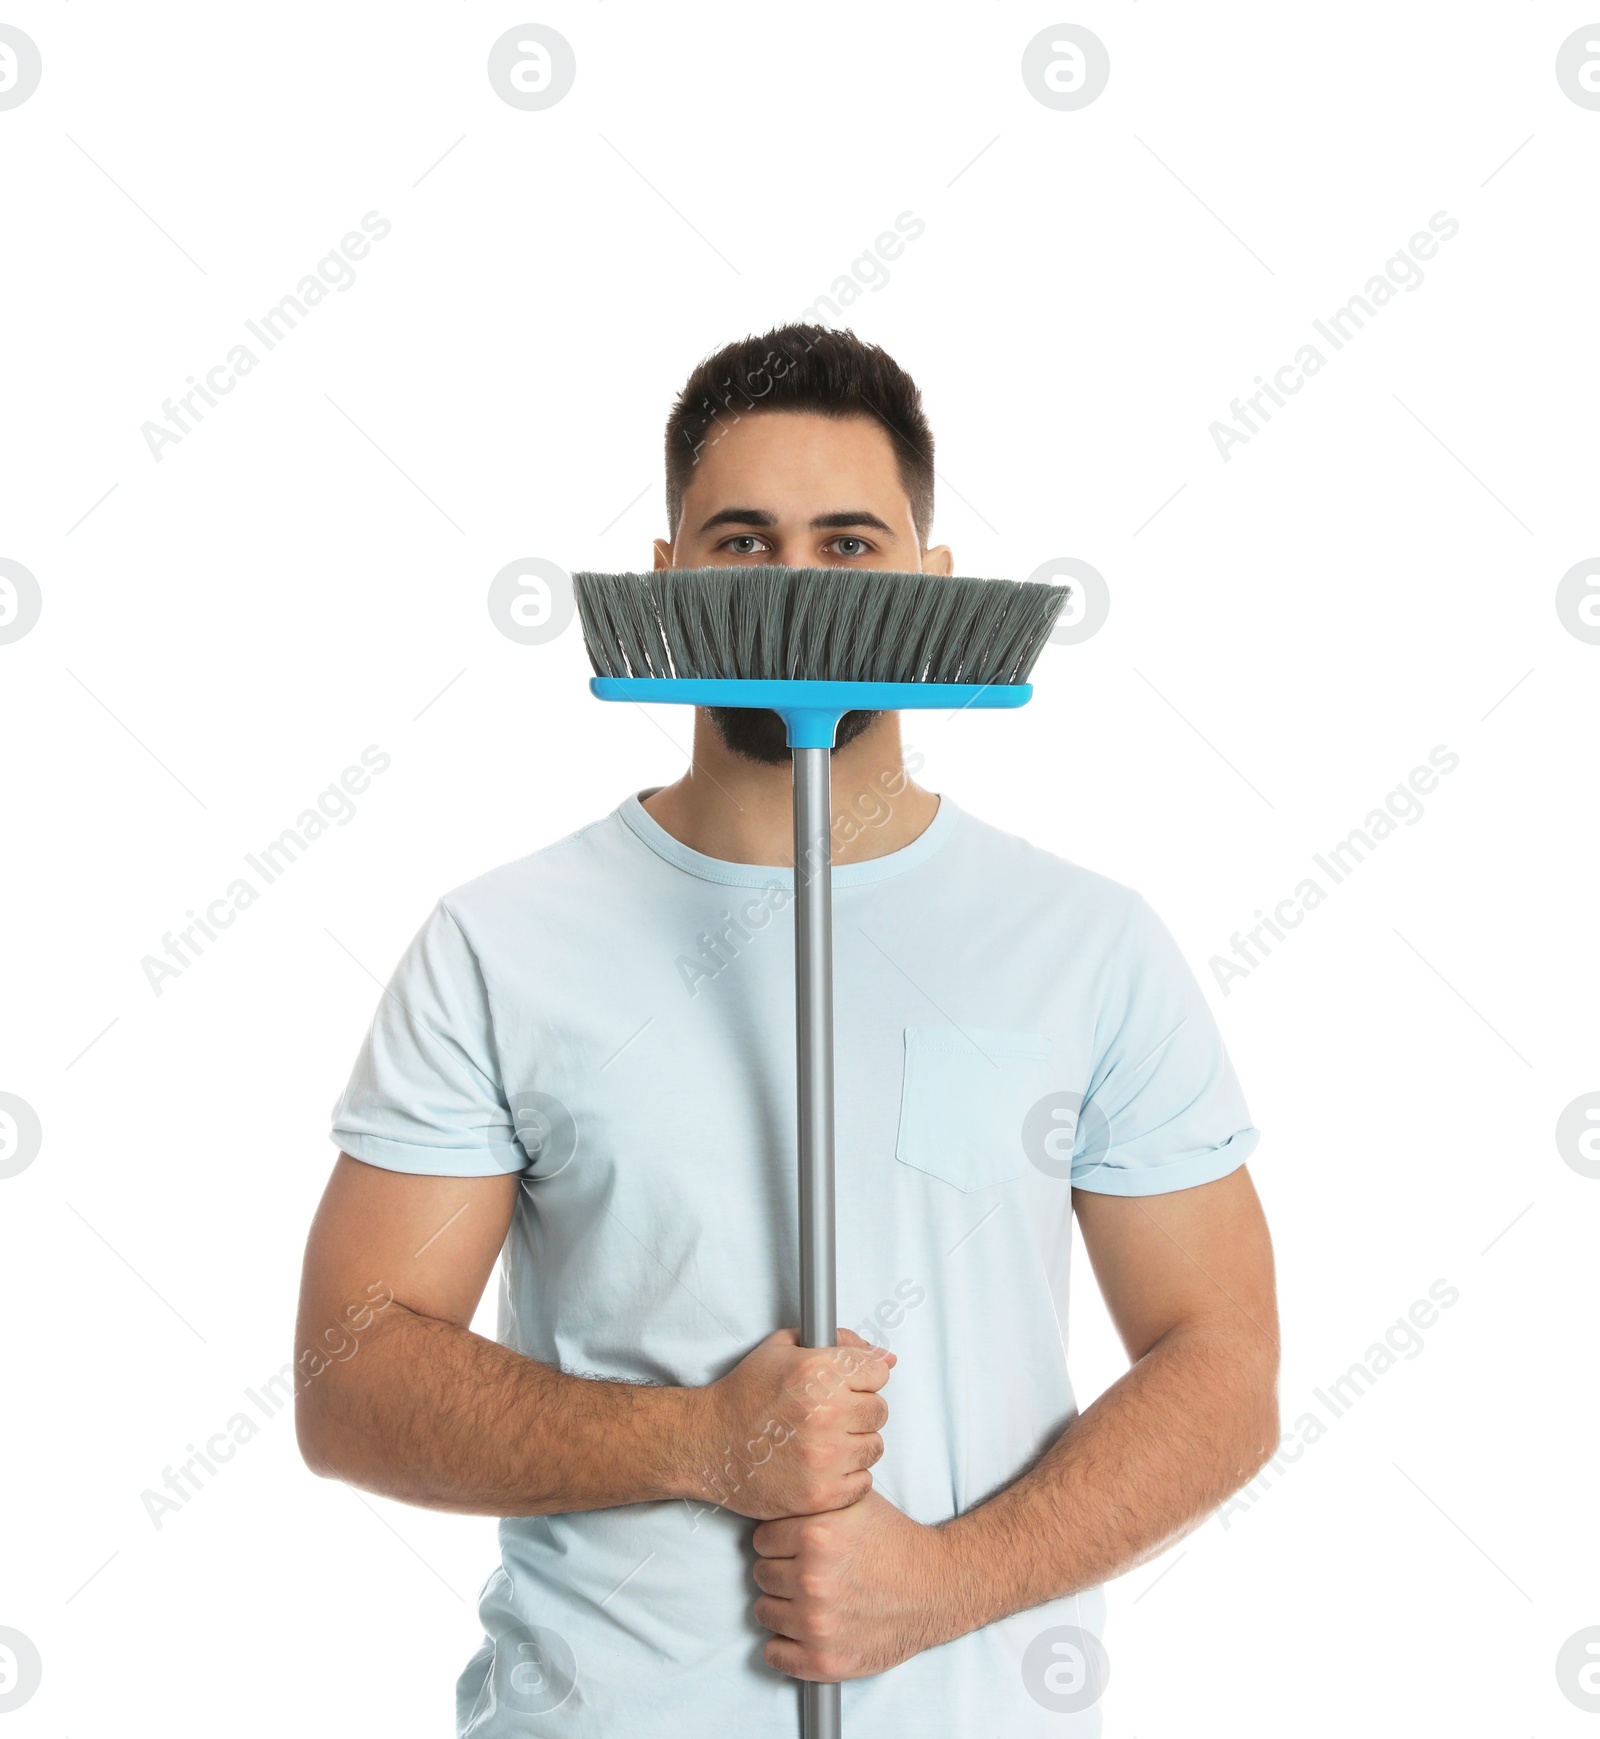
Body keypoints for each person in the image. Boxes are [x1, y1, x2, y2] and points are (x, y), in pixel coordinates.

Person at [295, 323, 1279, 1736]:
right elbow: (353, 1376)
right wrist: (702, 1442)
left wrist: (940, 1584)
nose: (800, 586)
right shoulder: (502, 945)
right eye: (744, 542)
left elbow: (1224, 1365)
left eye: (851, 543)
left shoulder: (1087, 943)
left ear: (933, 586)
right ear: (668, 580)